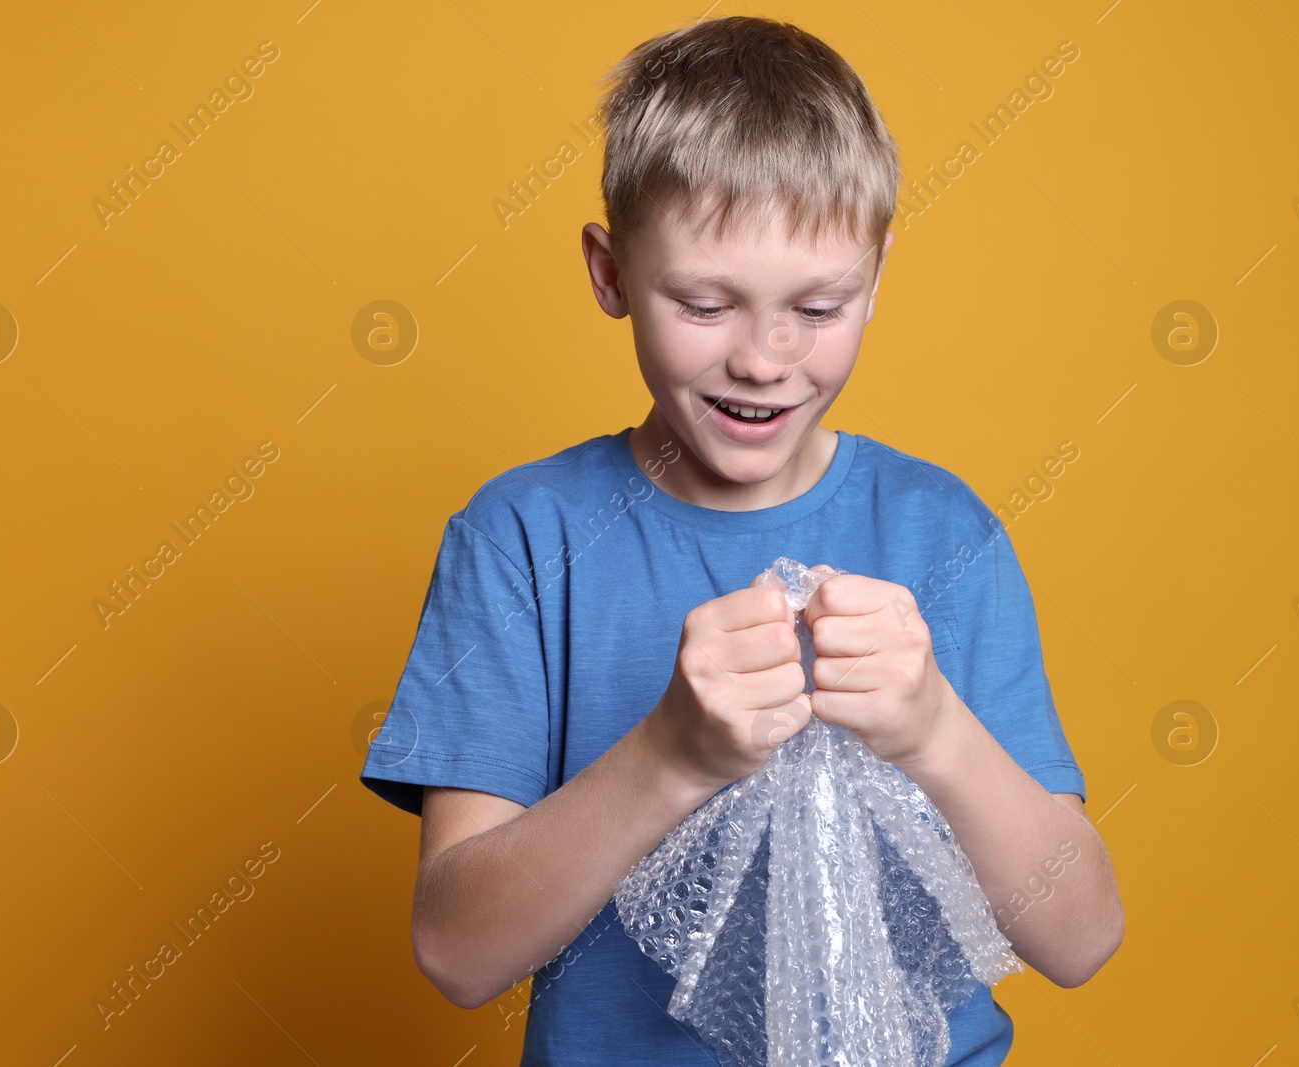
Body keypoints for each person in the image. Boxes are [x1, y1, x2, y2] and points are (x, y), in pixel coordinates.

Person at [359, 14, 1123, 1065]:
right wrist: (671, 752)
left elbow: (1078, 935)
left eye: (817, 306)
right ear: (611, 272)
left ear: (877, 277)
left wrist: (934, 728)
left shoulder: (946, 533)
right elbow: (455, 949)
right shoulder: (522, 540)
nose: (764, 359)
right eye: (705, 302)